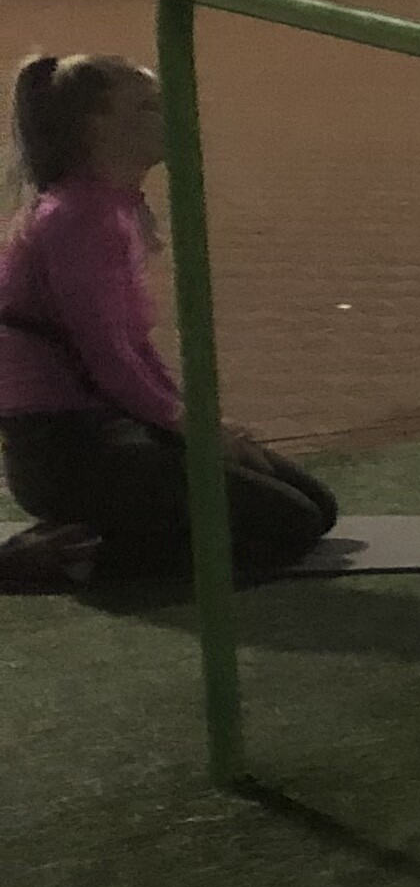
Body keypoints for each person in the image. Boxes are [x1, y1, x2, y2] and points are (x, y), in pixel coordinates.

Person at [1, 51, 341, 588]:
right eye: (147, 107)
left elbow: (132, 349)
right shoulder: (74, 219)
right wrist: (191, 429)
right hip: (67, 447)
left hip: (110, 427)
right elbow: (108, 358)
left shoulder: (109, 207)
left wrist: (191, 422)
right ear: (95, 126)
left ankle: (99, 530)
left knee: (317, 507)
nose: (170, 115)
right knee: (288, 525)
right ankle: (63, 559)